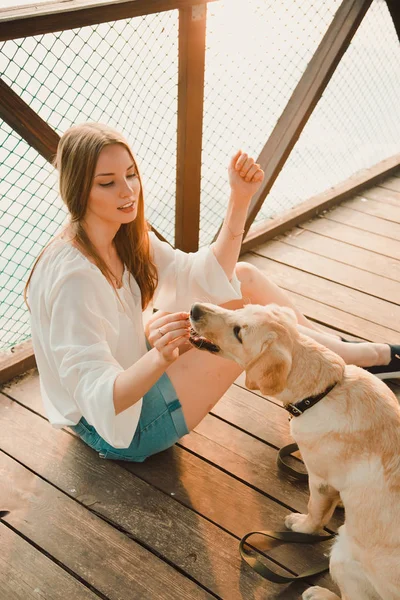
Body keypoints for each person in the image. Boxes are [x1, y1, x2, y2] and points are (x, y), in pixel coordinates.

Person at [25, 122, 400, 462]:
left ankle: (347, 360)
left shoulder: (122, 235)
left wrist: (239, 199)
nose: (127, 191)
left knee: (243, 276)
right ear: (77, 191)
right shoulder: (74, 279)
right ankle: (356, 362)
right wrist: (159, 357)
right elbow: (101, 398)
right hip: (118, 428)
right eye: (107, 183)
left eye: (131, 174)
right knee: (242, 321)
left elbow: (201, 275)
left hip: (132, 379)